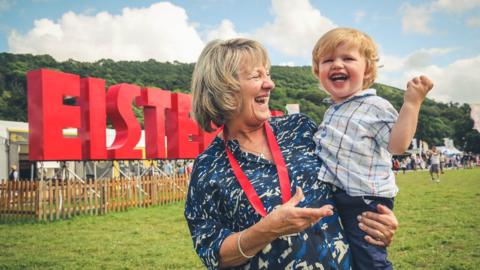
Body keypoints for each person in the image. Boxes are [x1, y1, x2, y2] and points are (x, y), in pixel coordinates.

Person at [185, 38, 398, 270]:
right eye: (257, 76)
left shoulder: (300, 128)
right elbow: (212, 252)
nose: (270, 84)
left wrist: (376, 220)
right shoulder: (208, 167)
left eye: (268, 74)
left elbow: (353, 173)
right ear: (223, 87)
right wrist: (265, 230)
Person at [311, 27, 433, 269]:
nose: (337, 64)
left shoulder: (374, 105)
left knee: (369, 259)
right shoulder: (331, 110)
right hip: (341, 194)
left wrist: (411, 103)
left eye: (347, 58)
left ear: (367, 69)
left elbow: (397, 145)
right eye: (328, 60)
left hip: (364, 199)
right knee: (345, 254)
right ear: (318, 71)